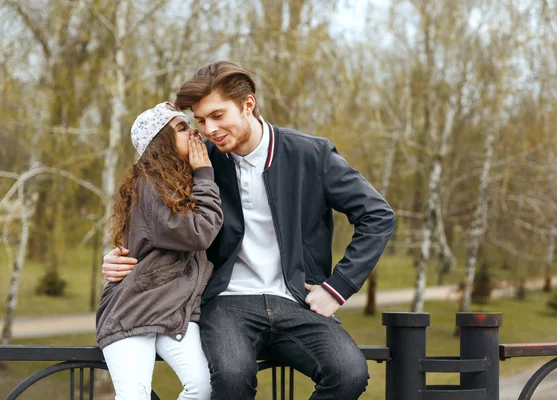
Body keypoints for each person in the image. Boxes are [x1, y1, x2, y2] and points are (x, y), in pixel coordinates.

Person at [102, 61, 396, 400]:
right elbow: (148, 208)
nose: (209, 129)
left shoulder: (311, 155)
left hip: (298, 301)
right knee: (229, 377)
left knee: (350, 373)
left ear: (248, 105)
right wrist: (118, 257)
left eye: (217, 115)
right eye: (200, 120)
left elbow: (377, 215)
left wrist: (337, 288)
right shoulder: (200, 161)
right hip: (226, 302)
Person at [96, 102, 223, 400]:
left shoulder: (179, 183)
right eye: (181, 127)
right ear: (160, 144)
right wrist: (205, 173)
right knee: (134, 395)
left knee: (204, 387)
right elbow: (200, 232)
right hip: (134, 310)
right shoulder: (152, 187)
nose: (194, 131)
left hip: (173, 310)